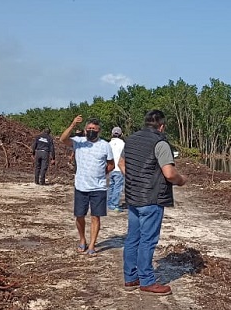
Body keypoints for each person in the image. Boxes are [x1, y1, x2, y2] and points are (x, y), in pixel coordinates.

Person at [120, 110, 186, 296]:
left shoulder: (130, 140)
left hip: (134, 197)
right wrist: (182, 180)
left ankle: (130, 277)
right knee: (148, 240)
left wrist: (134, 179)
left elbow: (121, 164)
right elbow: (169, 174)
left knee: (133, 238)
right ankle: (147, 281)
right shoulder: (161, 143)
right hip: (152, 198)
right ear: (162, 126)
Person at [59, 115, 114, 255]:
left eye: (94, 129)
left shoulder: (105, 145)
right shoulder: (79, 142)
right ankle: (82, 239)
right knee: (79, 215)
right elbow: (63, 139)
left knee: (96, 216)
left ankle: (92, 245)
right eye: (89, 128)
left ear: (99, 131)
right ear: (85, 130)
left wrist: (101, 174)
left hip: (99, 187)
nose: (91, 130)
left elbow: (111, 164)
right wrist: (72, 125)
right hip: (81, 186)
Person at [107, 126, 125, 211]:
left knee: (111, 186)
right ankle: (114, 204)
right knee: (118, 187)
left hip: (110, 168)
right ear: (121, 134)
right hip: (119, 168)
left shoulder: (108, 144)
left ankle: (109, 202)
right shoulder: (123, 144)